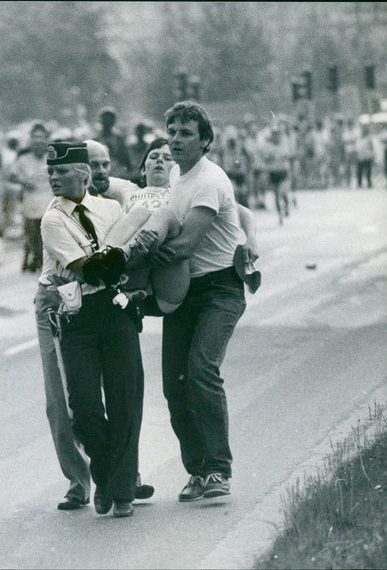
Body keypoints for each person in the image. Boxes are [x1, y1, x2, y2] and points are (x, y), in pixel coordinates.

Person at [149, 101, 249, 502]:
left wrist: (135, 253)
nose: (175, 139)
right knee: (175, 385)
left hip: (220, 290)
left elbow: (184, 244)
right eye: (171, 131)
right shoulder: (176, 173)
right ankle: (198, 470)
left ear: (205, 141)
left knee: (201, 371)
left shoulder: (210, 179)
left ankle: (219, 470)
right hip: (185, 291)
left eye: (186, 133)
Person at [40, 141, 144, 518]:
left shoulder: (111, 208)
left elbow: (130, 253)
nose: (54, 177)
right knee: (83, 406)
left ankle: (121, 491)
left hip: (113, 309)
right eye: (50, 172)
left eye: (62, 171)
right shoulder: (53, 219)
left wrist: (122, 258)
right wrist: (117, 257)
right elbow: (87, 267)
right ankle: (107, 474)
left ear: (83, 174)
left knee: (124, 398)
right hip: (77, 312)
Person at [7, 122, 50, 273]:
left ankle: (44, 262)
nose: (38, 142)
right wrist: (23, 182)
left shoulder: (52, 157)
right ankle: (37, 258)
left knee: (47, 235)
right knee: (32, 234)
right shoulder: (23, 159)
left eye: (41, 138)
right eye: (35, 138)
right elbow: (11, 176)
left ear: (46, 140)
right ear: (30, 141)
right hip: (31, 202)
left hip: (49, 202)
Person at [95, 106, 134, 181]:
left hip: (117, 172)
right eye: (105, 119)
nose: (107, 122)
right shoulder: (97, 138)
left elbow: (125, 157)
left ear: (113, 121)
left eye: (109, 119)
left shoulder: (118, 137)